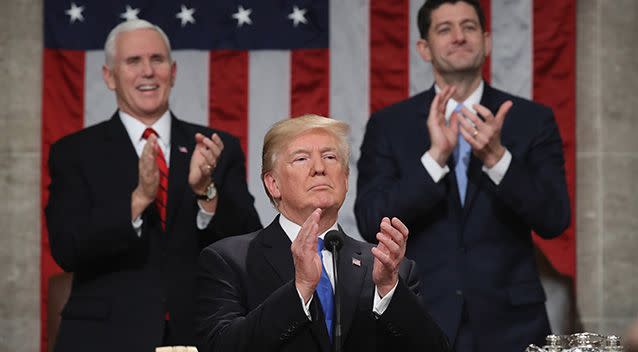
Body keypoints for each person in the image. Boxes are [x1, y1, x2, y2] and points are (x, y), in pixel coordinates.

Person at [355, 0, 571, 351]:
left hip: (512, 326)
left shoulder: (532, 120)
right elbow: (371, 221)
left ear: (486, 41)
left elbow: (555, 219)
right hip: (420, 319)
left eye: (469, 27)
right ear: (424, 48)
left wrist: (498, 158)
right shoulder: (389, 125)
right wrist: (435, 158)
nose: (459, 37)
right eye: (445, 29)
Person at [45, 19, 261, 352]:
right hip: (104, 338)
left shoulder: (216, 147)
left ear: (172, 72)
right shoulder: (74, 153)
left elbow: (248, 246)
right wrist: (137, 201)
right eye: (133, 61)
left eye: (157, 60)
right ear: (109, 76)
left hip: (199, 334)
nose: (148, 71)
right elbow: (67, 249)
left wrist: (206, 192)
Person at [196, 115, 450, 352]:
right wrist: (301, 289)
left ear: (346, 179)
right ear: (273, 184)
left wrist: (388, 290)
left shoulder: (391, 269)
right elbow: (221, 346)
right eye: (302, 158)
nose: (319, 168)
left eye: (330, 157)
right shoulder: (229, 260)